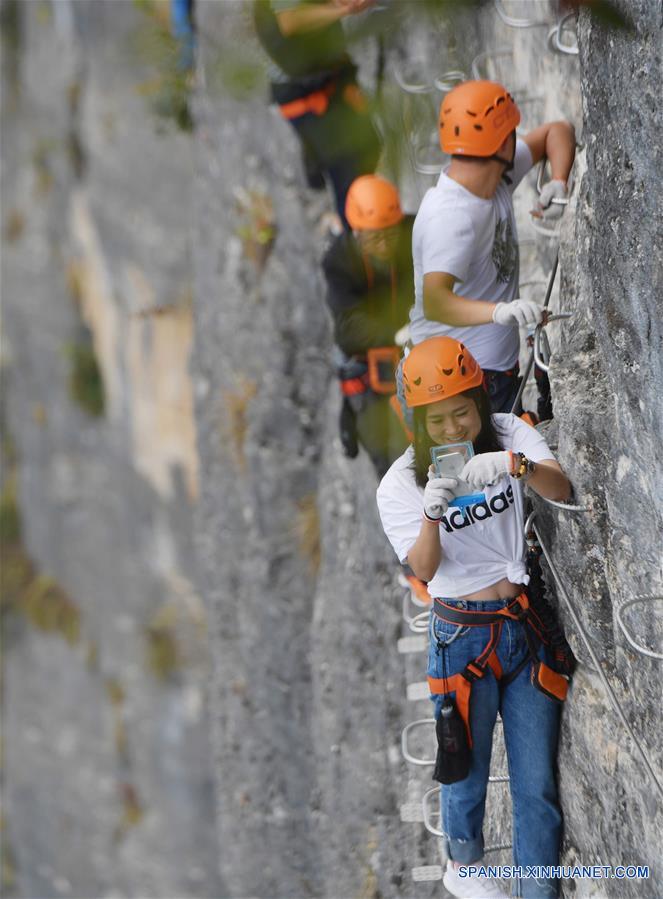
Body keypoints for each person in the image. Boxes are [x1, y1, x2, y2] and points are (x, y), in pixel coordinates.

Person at [376, 336, 572, 899]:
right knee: (465, 770)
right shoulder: (399, 486)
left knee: (535, 786)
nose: (452, 429)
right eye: (435, 421)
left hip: (523, 624)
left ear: (481, 400)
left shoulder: (510, 434)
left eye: (461, 412)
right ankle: (464, 863)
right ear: (416, 423)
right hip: (460, 634)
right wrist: (432, 515)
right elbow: (423, 570)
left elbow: (560, 488)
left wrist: (515, 465)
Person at [408, 79, 576, 415]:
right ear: (502, 145)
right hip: (463, 382)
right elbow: (436, 302)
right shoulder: (451, 217)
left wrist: (558, 180)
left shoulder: (496, 176)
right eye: (512, 130)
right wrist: (500, 312)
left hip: (493, 369)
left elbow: (557, 132)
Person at [253, 0, 381, 227]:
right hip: (308, 92)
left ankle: (315, 166)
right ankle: (354, 243)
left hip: (325, 78)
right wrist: (342, 10)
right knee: (349, 171)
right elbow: (289, 21)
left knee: (368, 148)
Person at [323, 175, 414, 476]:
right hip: (368, 363)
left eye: (390, 233)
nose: (385, 244)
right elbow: (347, 329)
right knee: (387, 456)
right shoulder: (340, 260)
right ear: (357, 233)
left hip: (412, 346)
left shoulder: (413, 233)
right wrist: (394, 333)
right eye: (375, 237)